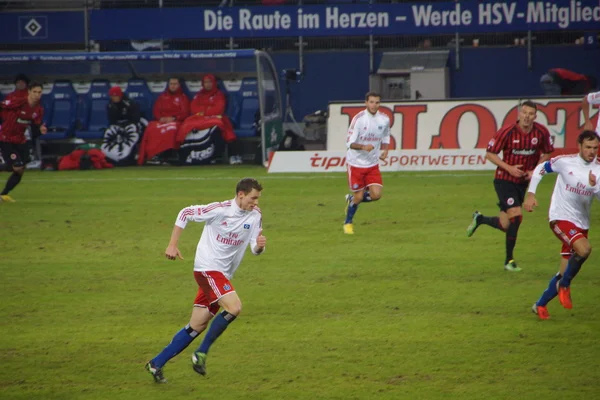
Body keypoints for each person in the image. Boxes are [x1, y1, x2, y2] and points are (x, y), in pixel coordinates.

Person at [145, 178, 267, 383]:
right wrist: (172, 245)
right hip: (207, 269)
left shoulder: (255, 215)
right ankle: (200, 353)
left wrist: (260, 246)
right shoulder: (220, 210)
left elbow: (255, 248)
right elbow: (185, 213)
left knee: (197, 325)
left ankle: (156, 363)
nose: (255, 202)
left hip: (221, 276)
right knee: (234, 307)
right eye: (253, 198)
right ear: (241, 195)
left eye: (258, 199)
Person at [466, 101, 554, 271]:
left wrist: (534, 170)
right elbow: (490, 154)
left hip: (522, 183)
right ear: (519, 114)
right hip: (504, 179)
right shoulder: (506, 132)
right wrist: (509, 168)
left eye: (531, 114)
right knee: (516, 216)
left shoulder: (541, 132)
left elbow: (548, 152)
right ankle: (509, 261)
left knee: (506, 225)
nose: (527, 116)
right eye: (524, 113)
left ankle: (480, 219)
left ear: (535, 116)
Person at [524, 130, 600, 319]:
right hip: (560, 217)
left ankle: (540, 304)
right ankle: (565, 286)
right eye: (588, 147)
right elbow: (542, 168)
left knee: (566, 270)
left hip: (581, 223)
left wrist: (594, 186)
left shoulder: (598, 169)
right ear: (580, 146)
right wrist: (531, 193)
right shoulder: (565, 162)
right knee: (584, 249)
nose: (592, 151)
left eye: (596, 148)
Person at [343, 91, 390, 235]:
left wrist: (385, 150)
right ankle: (348, 223)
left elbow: (386, 134)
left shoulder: (384, 119)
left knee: (376, 195)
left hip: (372, 164)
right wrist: (363, 147)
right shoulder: (359, 119)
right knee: (359, 196)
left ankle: (352, 199)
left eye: (377, 102)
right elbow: (349, 143)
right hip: (356, 163)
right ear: (366, 103)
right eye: (371, 102)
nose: (374, 105)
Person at [179, 74, 243, 165]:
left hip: (214, 119)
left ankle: (219, 156)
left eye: (209, 82)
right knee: (186, 126)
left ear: (214, 83)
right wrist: (206, 111)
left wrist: (204, 112)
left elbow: (218, 109)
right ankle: (188, 155)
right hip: (200, 121)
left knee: (222, 129)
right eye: (205, 82)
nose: (208, 84)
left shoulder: (219, 95)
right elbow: (194, 108)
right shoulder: (198, 96)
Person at [0, 81, 47, 203]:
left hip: (21, 140)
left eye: (39, 92)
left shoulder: (39, 109)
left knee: (21, 168)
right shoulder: (18, 101)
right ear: (29, 92)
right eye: (35, 92)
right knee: (17, 166)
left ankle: (3, 195)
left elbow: (36, 127)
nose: (37, 95)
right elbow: (2, 106)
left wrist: (41, 129)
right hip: (6, 139)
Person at [137, 77, 190, 165]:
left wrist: (173, 118)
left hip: (176, 121)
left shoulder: (183, 98)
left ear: (179, 85)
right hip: (161, 121)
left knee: (171, 128)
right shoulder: (162, 97)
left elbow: (185, 113)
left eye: (175, 84)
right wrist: (160, 118)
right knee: (151, 128)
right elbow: (156, 111)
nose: (173, 86)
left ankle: (168, 154)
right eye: (171, 84)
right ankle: (152, 155)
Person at [101, 86, 143, 165]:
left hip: (130, 124)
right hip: (117, 125)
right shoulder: (110, 105)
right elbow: (111, 120)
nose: (114, 98)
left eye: (115, 96)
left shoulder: (130, 103)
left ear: (120, 95)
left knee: (131, 131)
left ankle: (127, 156)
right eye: (112, 96)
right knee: (110, 132)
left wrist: (126, 124)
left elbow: (135, 118)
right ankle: (110, 156)